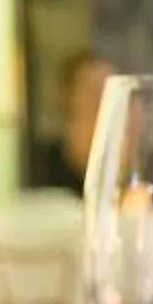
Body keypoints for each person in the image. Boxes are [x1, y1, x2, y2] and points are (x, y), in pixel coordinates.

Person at [31, 49, 114, 195]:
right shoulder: (36, 168)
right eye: (93, 90)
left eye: (110, 90)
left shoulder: (124, 173)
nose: (103, 99)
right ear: (68, 99)